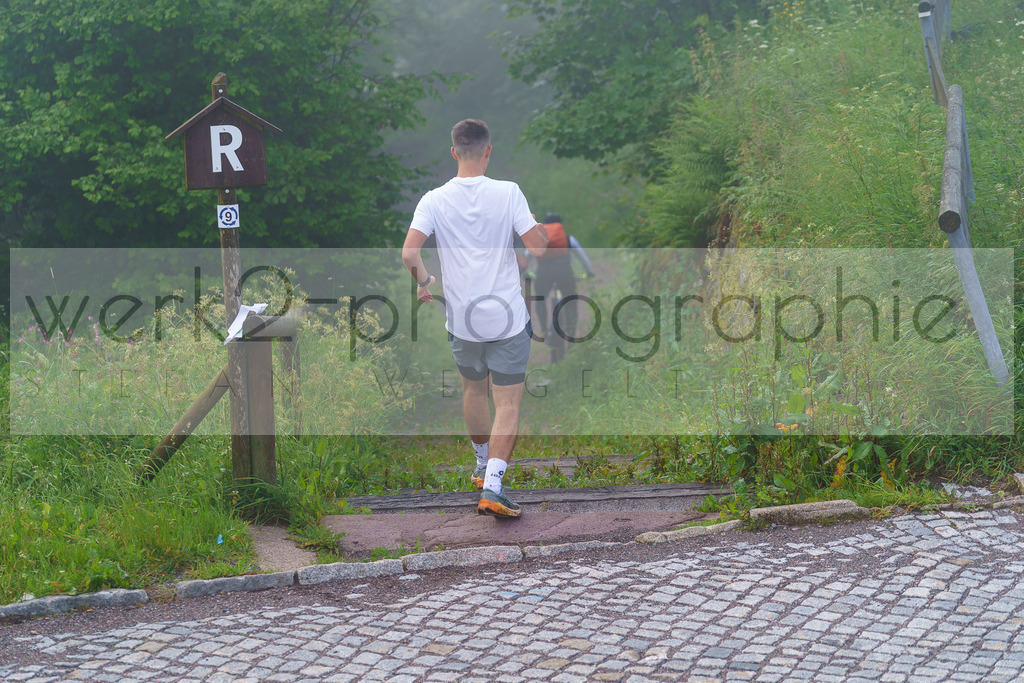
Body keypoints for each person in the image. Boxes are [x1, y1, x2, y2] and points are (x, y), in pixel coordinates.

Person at [402, 118, 548, 519]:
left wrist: (425, 280)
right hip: (505, 319)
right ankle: (494, 488)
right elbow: (538, 248)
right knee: (508, 403)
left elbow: (409, 254)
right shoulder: (508, 193)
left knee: (473, 391)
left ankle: (482, 465)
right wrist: (544, 233)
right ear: (488, 151)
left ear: (454, 152)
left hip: (461, 318)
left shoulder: (433, 199)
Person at [528, 213, 594, 362]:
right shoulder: (568, 238)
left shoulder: (539, 238)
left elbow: (527, 257)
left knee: (540, 299)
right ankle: (571, 331)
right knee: (571, 300)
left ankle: (544, 329)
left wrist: (526, 272)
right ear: (560, 225)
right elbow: (583, 257)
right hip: (564, 272)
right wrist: (589, 272)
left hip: (543, 273)